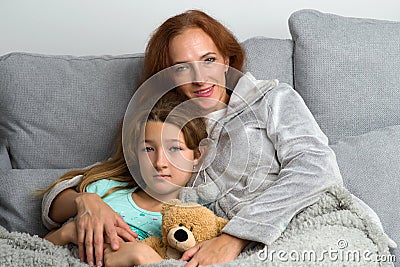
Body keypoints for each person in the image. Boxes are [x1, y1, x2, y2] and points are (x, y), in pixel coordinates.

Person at [42, 9, 343, 266]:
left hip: (307, 222)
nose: (200, 78)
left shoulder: (272, 99)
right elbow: (104, 174)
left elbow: (316, 168)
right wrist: (87, 201)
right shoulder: (169, 125)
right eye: (182, 67)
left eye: (209, 60)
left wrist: (236, 236)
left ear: (228, 59)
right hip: (216, 249)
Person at [42, 91, 207, 266]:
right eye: (148, 149)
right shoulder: (105, 189)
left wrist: (144, 256)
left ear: (197, 156)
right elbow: (39, 247)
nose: (160, 163)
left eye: (174, 149)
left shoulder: (199, 217)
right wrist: (68, 231)